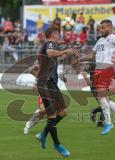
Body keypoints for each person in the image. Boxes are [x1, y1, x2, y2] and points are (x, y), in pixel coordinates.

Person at [74, 20, 115, 135]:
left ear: (109, 27)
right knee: (104, 99)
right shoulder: (100, 40)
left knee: (101, 97)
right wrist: (79, 59)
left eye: (103, 28)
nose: (100, 30)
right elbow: (92, 55)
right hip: (98, 70)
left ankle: (108, 123)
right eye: (100, 28)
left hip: (107, 69)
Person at [35, 27, 77, 157]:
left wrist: (69, 53)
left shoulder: (49, 46)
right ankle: (57, 144)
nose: (59, 36)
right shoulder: (49, 43)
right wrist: (66, 50)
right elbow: (50, 53)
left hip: (50, 82)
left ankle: (43, 134)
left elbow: (52, 58)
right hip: (46, 83)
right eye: (58, 34)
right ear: (54, 34)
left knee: (63, 112)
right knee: (52, 115)